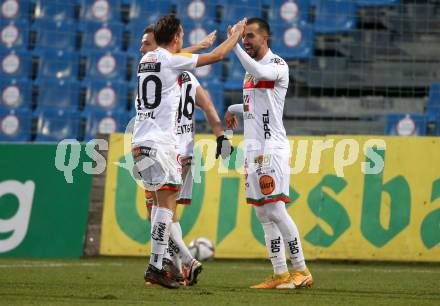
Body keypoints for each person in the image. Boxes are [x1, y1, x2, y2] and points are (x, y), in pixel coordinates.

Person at [132, 14, 245, 289]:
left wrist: (195, 46)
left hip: (139, 142)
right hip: (162, 144)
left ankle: (162, 265)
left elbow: (174, 55)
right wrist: (236, 35)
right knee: (166, 209)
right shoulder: (176, 66)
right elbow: (217, 56)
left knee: (158, 207)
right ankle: (159, 265)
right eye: (181, 35)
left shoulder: (146, 60)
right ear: (176, 38)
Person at [224, 18, 314, 289]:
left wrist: (233, 46)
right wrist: (232, 109)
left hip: (272, 148)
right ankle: (280, 273)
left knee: (276, 209)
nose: (246, 41)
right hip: (253, 150)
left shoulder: (276, 65)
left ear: (265, 38)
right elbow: (254, 104)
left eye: (250, 37)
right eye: (243, 38)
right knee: (263, 214)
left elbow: (261, 75)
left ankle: (302, 270)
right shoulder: (250, 73)